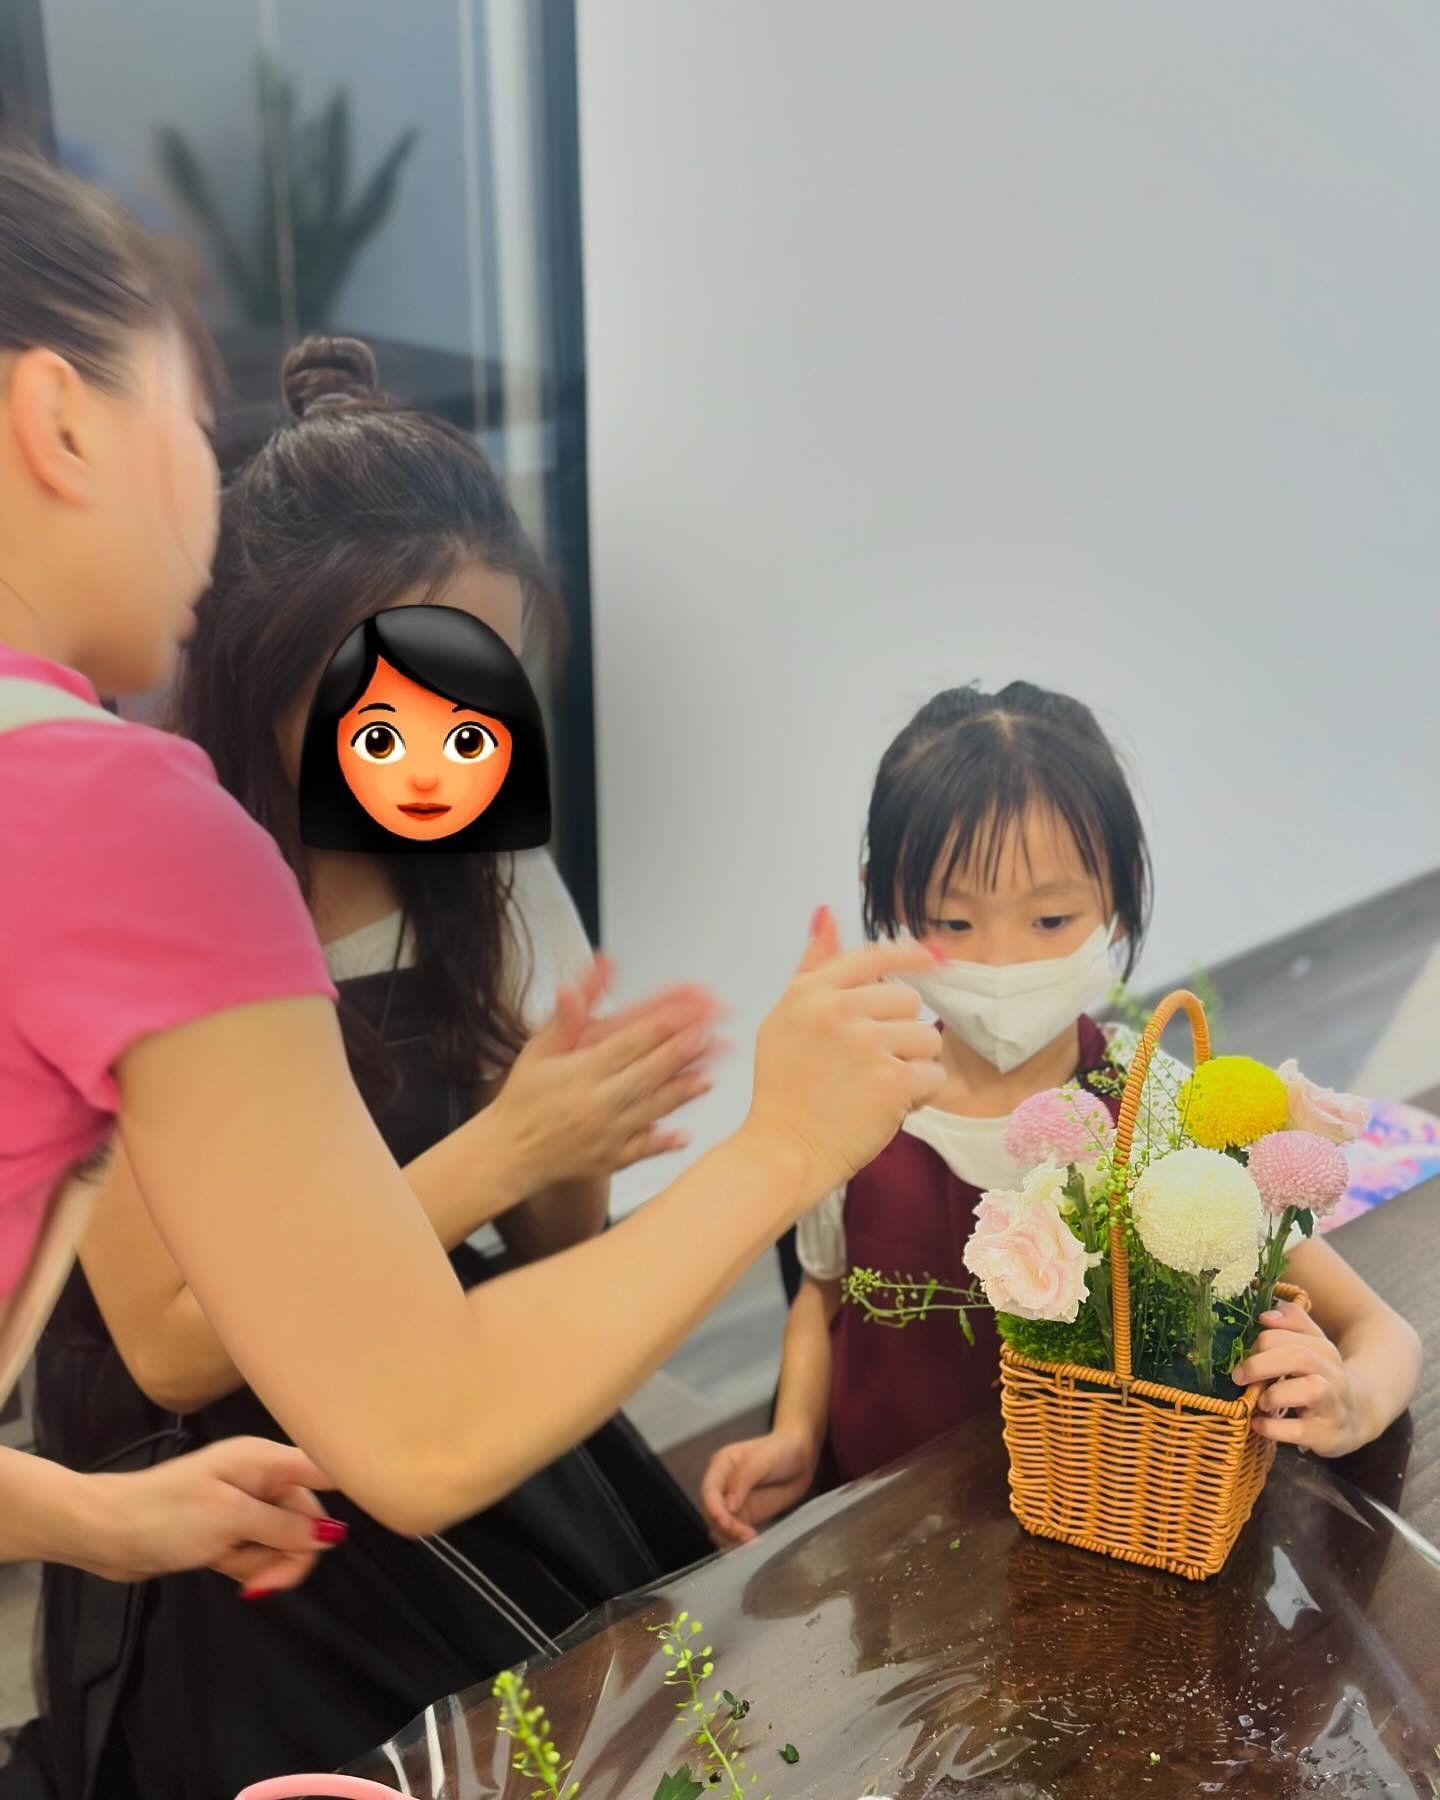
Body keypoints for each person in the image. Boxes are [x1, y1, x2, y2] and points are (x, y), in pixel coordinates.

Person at [0, 149, 946, 1566]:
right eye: (192, 424)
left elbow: (549, 1268)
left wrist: (85, 1520)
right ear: (59, 422)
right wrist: (783, 1145)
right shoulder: (131, 835)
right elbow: (413, 1420)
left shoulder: (475, 886)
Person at [14, 336, 728, 1799]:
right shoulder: (155, 875)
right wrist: (510, 1146)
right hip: (225, 1499)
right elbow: (172, 1343)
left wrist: (577, 1132)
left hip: (436, 1404)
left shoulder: (493, 882)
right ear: (270, 660)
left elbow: (547, 1256)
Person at [702, 683, 1423, 1546]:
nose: (1003, 961)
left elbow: (1382, 1331)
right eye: (951, 920)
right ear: (884, 899)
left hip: (1099, 1528)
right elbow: (823, 1291)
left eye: (1050, 918)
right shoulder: (852, 1105)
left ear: (1119, 895)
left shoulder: (1160, 1111)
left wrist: (1353, 1401)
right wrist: (794, 1433)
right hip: (884, 1536)